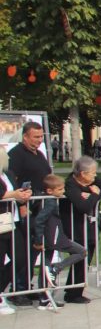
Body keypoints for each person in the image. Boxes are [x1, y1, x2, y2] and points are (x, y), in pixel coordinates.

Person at [59, 156, 101, 303]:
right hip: (75, 227)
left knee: (87, 257)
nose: (95, 175)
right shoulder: (70, 184)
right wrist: (95, 194)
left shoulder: (91, 181)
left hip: (89, 226)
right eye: (92, 172)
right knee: (79, 257)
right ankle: (72, 293)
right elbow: (83, 206)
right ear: (83, 173)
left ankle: (76, 291)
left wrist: (92, 195)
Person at [7, 121, 51, 301]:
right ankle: (18, 289)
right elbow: (13, 181)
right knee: (24, 251)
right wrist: (22, 207)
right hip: (24, 210)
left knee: (34, 250)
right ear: (25, 137)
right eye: (36, 137)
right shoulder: (16, 154)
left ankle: (26, 285)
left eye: (41, 137)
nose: (39, 140)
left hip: (40, 209)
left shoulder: (39, 154)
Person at [31, 174, 87, 309]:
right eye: (60, 189)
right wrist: (38, 240)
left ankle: (44, 299)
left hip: (50, 237)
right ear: (50, 191)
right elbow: (39, 220)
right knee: (82, 251)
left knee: (45, 265)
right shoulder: (49, 202)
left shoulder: (45, 199)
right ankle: (57, 268)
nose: (63, 192)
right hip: (54, 238)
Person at [0, 147, 34, 313]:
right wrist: (14, 194)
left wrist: (22, 195)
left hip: (11, 223)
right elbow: (4, 193)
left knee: (20, 258)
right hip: (1, 224)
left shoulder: (8, 174)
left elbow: (14, 192)